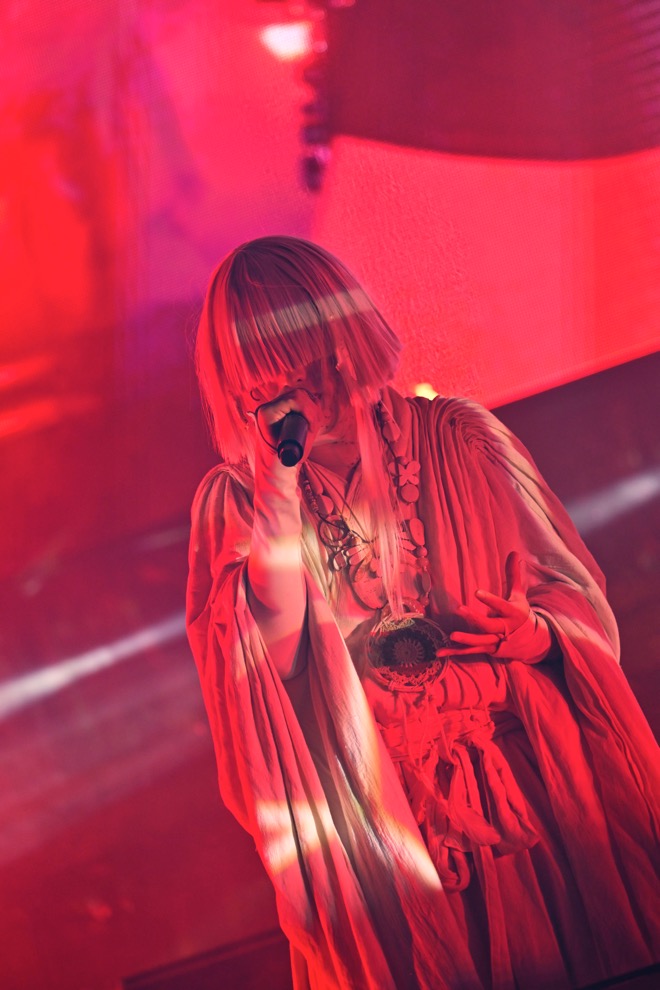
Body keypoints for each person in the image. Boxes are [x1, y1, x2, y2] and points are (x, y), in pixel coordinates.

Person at [186, 235, 659, 990]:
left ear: (343, 339)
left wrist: (537, 633)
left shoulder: (461, 439)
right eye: (267, 381)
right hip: (388, 839)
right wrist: (276, 483)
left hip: (527, 788)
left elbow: (575, 597)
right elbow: (270, 663)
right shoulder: (240, 502)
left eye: (304, 365)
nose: (294, 395)